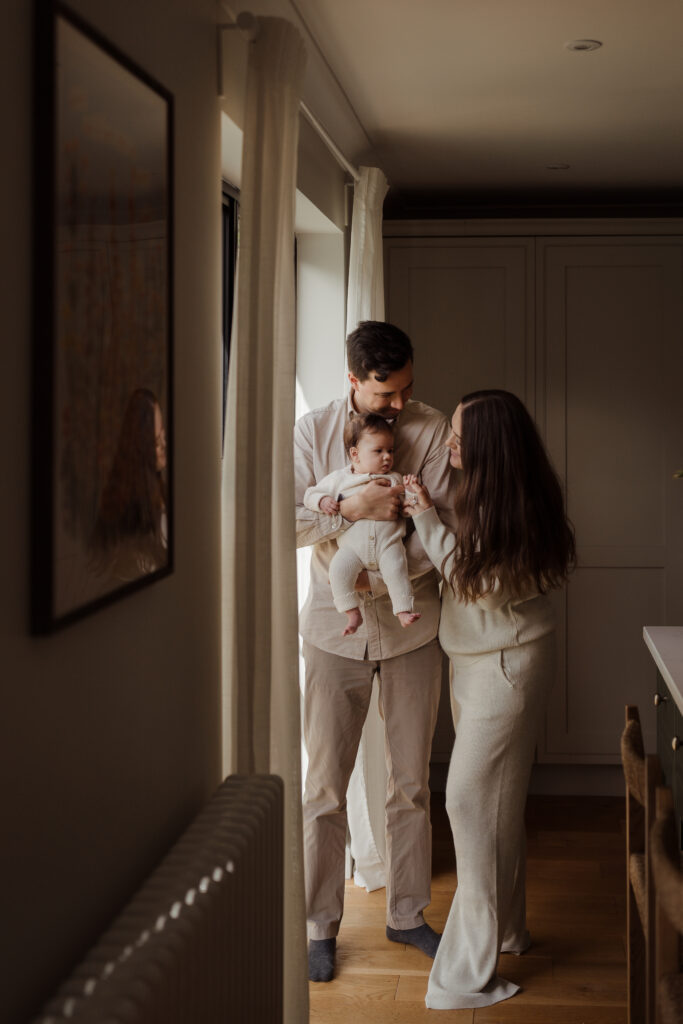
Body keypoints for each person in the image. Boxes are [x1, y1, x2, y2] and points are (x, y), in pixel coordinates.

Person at [401, 388, 576, 1010]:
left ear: (492, 448)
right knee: (497, 808)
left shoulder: (519, 509)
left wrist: (427, 520)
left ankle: (466, 973)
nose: (449, 444)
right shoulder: (478, 492)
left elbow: (483, 589)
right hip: (476, 661)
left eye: (458, 436)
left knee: (469, 802)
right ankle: (507, 931)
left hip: (507, 664)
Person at [294, 320, 458, 983]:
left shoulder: (430, 426)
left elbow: (444, 521)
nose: (399, 406)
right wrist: (352, 508)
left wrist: (388, 575)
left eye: (405, 390)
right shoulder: (311, 432)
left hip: (414, 629)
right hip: (332, 635)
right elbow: (288, 519)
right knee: (324, 789)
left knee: (411, 784)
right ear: (354, 381)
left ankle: (407, 913)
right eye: (386, 393)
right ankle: (317, 925)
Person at [303, 413, 421, 636]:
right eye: (378, 451)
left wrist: (412, 497)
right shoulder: (339, 479)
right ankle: (350, 611)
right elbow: (311, 494)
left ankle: (403, 610)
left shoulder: (395, 479)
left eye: (390, 450)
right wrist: (323, 501)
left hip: (389, 545)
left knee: (397, 570)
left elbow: (411, 504)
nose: (387, 457)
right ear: (355, 455)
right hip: (352, 550)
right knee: (337, 571)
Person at [90, 387, 168, 581]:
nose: (164, 445)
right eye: (157, 441)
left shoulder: (160, 489)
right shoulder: (130, 506)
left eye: (163, 435)